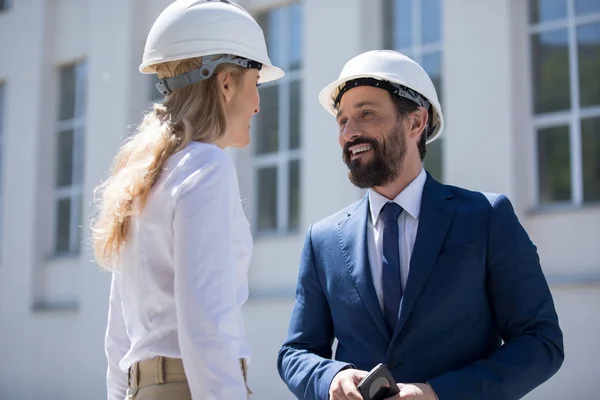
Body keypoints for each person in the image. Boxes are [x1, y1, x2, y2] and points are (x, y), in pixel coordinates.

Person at [277, 50, 563, 400]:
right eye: (342, 121)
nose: (349, 133)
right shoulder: (322, 240)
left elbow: (541, 341)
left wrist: (438, 393)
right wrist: (332, 377)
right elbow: (295, 352)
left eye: (366, 114)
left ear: (415, 123)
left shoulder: (486, 217)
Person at [92, 1, 283, 399]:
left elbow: (118, 335)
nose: (258, 104)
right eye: (256, 84)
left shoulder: (144, 175)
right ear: (226, 82)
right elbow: (205, 323)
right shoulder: (206, 166)